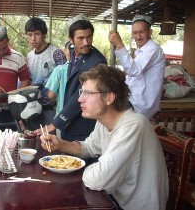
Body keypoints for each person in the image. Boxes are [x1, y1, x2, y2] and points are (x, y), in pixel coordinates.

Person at [40, 64, 168, 210]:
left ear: (109, 97)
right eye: (82, 92)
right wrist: (61, 144)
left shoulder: (133, 125)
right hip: (114, 199)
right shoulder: (104, 121)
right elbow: (89, 147)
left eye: (87, 93)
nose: (80, 99)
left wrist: (85, 168)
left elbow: (98, 180)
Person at [36, 14, 107, 141]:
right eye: (81, 38)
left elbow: (80, 95)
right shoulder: (74, 55)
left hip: (84, 125)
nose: (86, 42)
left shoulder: (97, 62)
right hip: (70, 123)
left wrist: (55, 124)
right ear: (71, 39)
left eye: (89, 37)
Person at [109, 14, 165, 118]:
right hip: (132, 100)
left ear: (150, 32)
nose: (138, 37)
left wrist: (119, 44)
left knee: (105, 110)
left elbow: (133, 70)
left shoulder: (153, 49)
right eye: (135, 33)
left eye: (141, 32)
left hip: (139, 105)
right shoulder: (142, 50)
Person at [25, 17, 67, 130]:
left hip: (52, 107)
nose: (33, 38)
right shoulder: (29, 56)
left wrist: (53, 100)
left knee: (51, 142)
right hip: (33, 106)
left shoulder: (56, 53)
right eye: (29, 35)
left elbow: (64, 80)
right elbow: (28, 79)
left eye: (36, 34)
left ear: (44, 34)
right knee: (34, 138)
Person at [45, 41, 72, 137]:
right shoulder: (86, 69)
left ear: (65, 50)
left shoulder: (60, 69)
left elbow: (50, 95)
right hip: (80, 119)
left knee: (63, 147)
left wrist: (54, 103)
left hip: (61, 117)